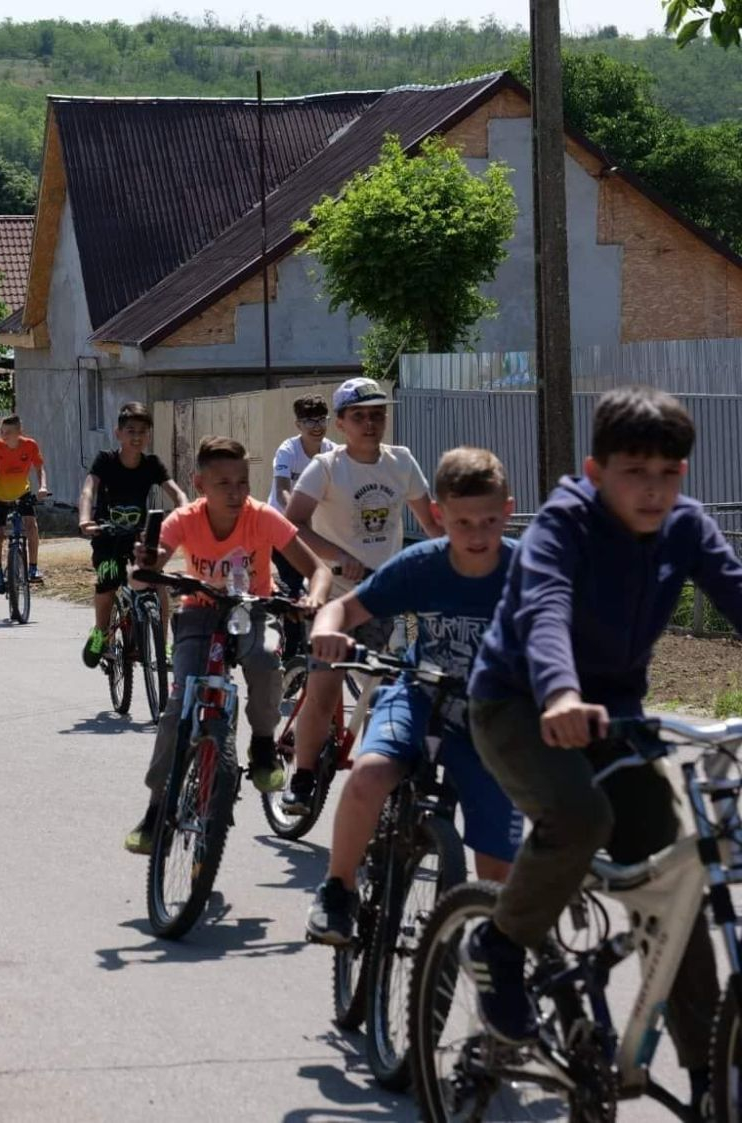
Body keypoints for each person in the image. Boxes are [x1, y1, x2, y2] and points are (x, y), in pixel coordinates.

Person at [463, 387, 742, 1095]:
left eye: (668, 473)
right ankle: (499, 942)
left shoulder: (686, 526)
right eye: (634, 472)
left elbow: (736, 590)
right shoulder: (564, 525)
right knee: (580, 815)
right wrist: (560, 691)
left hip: (615, 716)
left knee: (679, 875)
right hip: (520, 704)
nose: (653, 490)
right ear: (595, 471)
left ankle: (709, 1074)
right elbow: (546, 608)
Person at [303, 447, 523, 946]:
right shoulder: (422, 564)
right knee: (369, 775)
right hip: (420, 694)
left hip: (491, 718)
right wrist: (327, 630)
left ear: (508, 511)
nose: (477, 535)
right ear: (438, 515)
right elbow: (343, 610)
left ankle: (481, 953)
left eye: (489, 521)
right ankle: (338, 890)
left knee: (495, 875)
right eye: (462, 523)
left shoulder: (525, 571)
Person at [125, 437, 331, 855]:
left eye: (243, 482)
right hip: (198, 613)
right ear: (199, 484)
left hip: (257, 611)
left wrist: (314, 597)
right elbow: (147, 568)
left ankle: (262, 744)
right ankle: (156, 808)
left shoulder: (263, 517)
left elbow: (318, 569)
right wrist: (145, 565)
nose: (236, 492)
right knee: (177, 709)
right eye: (223, 484)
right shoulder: (184, 519)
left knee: (267, 663)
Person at [281, 377, 439, 813]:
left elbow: (432, 524)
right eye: (359, 416)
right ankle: (303, 777)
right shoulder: (327, 467)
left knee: (391, 690)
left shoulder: (401, 461)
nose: (370, 423)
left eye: (377, 414)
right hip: (336, 595)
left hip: (384, 594)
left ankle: (382, 777)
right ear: (341, 424)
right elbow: (293, 523)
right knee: (326, 688)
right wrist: (340, 557)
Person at [78, 403, 188, 668]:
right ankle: (101, 634)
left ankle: (162, 646)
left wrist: (185, 513)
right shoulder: (106, 461)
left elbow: (178, 494)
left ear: (149, 435)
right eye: (130, 431)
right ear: (118, 433)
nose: (136, 437)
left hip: (138, 538)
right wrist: (84, 519)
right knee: (109, 578)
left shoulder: (152, 465)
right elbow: (88, 490)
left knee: (156, 581)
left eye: (142, 431)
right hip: (107, 535)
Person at [269, 394, 339, 593]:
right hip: (283, 526)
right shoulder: (287, 451)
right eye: (310, 421)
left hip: (315, 530)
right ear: (298, 425)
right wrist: (300, 518)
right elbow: (282, 490)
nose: (317, 427)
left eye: (322, 420)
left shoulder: (332, 451)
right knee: (295, 586)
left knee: (325, 583)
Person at [0, 413, 51, 592]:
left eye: (8, 432)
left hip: (22, 493)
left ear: (19, 432)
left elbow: (39, 468)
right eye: (2, 432)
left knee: (31, 526)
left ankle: (33, 568)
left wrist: (43, 487)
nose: (4, 436)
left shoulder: (30, 445)